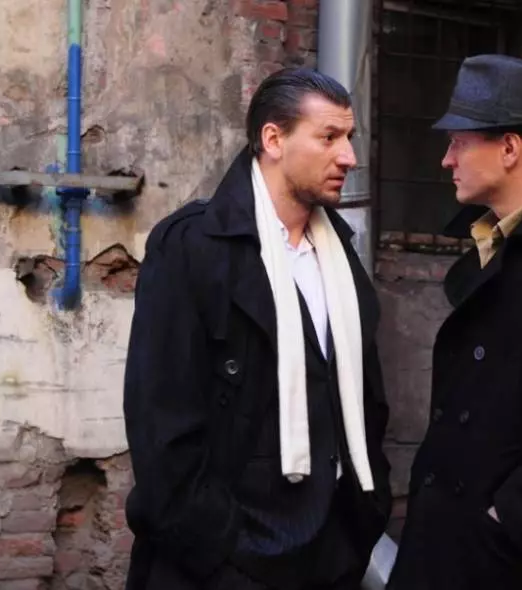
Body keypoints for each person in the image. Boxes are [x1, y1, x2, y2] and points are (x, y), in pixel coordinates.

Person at [123, 67, 393, 590]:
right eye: (329, 137)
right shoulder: (193, 248)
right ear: (273, 139)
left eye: (349, 137)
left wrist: (363, 522)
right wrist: (219, 552)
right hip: (224, 561)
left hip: (330, 557)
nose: (349, 157)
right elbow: (161, 424)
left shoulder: (340, 257)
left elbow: (367, 403)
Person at [387, 54, 522, 590]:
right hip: (453, 547)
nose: (446, 160)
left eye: (458, 142)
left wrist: (507, 516)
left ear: (509, 148)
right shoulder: (492, 240)